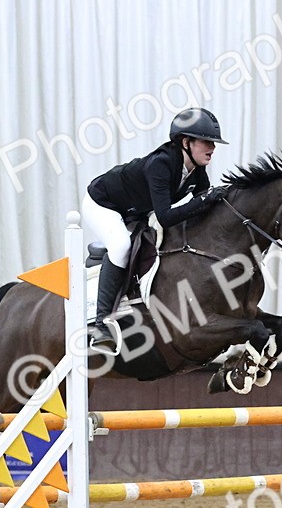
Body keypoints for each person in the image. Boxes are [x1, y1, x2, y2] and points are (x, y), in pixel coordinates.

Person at [83, 107, 230, 348]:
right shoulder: (160, 164)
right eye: (206, 141)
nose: (212, 147)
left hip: (135, 208)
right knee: (121, 246)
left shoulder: (196, 170)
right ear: (186, 142)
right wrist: (204, 200)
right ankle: (99, 325)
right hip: (102, 203)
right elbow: (165, 216)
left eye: (213, 142)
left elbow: (204, 207)